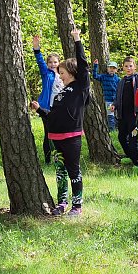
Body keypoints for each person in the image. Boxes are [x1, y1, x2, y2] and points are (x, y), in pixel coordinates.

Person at [31, 28, 89, 216]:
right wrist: (40, 110)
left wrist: (77, 39)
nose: (60, 75)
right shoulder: (59, 94)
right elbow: (53, 116)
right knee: (60, 172)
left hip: (71, 137)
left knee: (73, 171)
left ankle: (77, 206)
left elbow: (83, 64)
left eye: (62, 72)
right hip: (55, 137)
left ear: (72, 72)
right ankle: (62, 202)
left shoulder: (80, 88)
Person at [111, 54, 138, 169]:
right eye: (126, 66)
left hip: (134, 114)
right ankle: (130, 156)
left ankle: (137, 163)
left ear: (135, 67)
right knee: (121, 137)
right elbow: (118, 97)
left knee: (133, 139)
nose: (128, 68)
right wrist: (114, 105)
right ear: (123, 68)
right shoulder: (121, 81)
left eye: (130, 66)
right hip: (122, 115)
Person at [32, 35, 63, 165]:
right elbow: (39, 60)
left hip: (59, 108)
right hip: (46, 107)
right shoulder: (46, 73)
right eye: (50, 62)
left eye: (55, 62)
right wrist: (36, 46)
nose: (52, 64)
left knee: (58, 134)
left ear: (59, 62)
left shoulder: (63, 74)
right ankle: (48, 160)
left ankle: (59, 158)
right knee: (48, 133)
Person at [92, 59, 120, 131]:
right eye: (110, 67)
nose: (112, 69)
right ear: (107, 68)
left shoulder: (117, 79)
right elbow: (95, 76)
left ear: (116, 70)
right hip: (108, 100)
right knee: (110, 115)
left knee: (117, 115)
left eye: (113, 68)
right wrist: (95, 66)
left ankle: (117, 128)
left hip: (116, 100)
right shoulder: (104, 77)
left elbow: (120, 89)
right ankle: (112, 130)